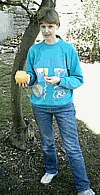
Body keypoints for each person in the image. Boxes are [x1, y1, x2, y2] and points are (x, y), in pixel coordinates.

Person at [21, 8, 95, 195]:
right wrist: (27, 79)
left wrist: (60, 80)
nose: (46, 30)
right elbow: (30, 75)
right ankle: (51, 169)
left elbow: (78, 79)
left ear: (57, 26)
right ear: (39, 27)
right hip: (40, 105)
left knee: (71, 146)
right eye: (43, 26)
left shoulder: (67, 50)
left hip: (64, 107)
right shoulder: (34, 50)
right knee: (46, 142)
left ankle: (83, 186)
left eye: (50, 26)